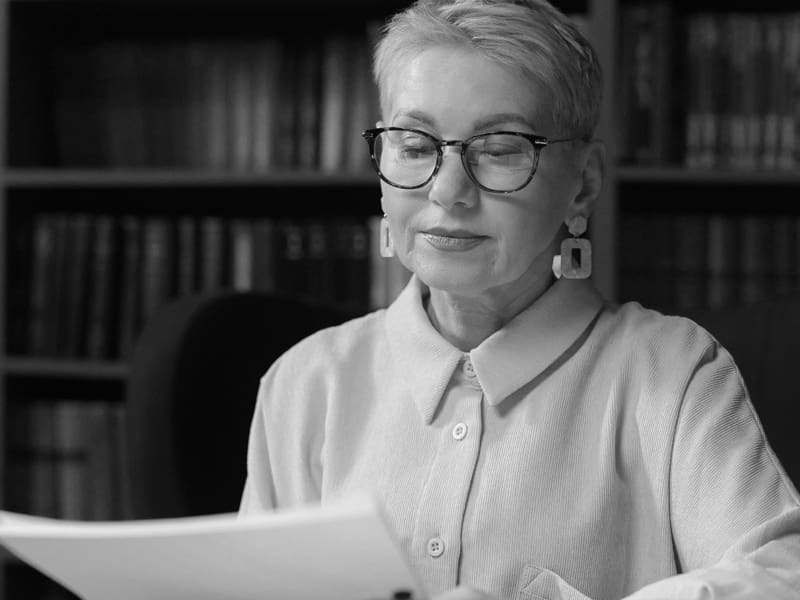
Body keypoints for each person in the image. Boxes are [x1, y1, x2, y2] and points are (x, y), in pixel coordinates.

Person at [239, 0, 800, 598]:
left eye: (501, 149)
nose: (448, 191)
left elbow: (784, 574)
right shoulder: (303, 383)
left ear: (582, 184)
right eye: (414, 144)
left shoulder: (673, 370)